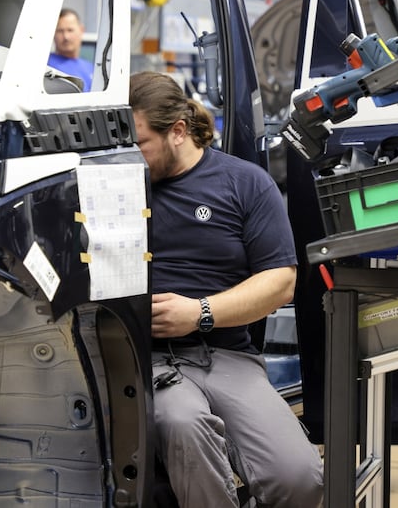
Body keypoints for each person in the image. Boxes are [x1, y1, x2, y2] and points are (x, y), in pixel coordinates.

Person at [129, 71, 323, 508]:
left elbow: (279, 281)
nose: (130, 157)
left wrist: (199, 311)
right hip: (151, 363)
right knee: (185, 425)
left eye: (139, 144)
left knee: (299, 477)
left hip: (228, 356)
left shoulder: (244, 183)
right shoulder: (115, 190)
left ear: (177, 131)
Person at [48, 8, 93, 91]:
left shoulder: (92, 68)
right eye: (60, 31)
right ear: (53, 33)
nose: (66, 37)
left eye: (70, 30)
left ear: (81, 30)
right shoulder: (44, 65)